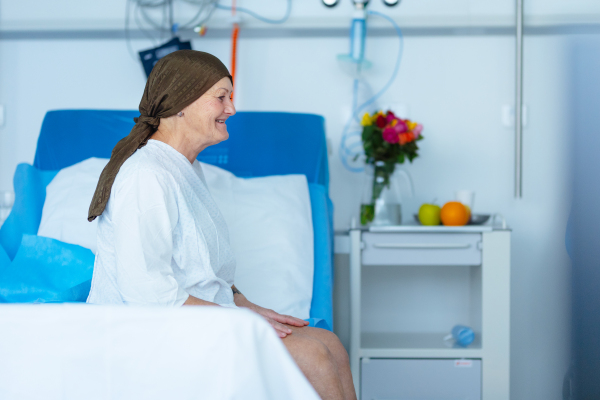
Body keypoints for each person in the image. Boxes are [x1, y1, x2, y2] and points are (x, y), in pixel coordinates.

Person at [86, 50, 356, 400]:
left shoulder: (185, 169)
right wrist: (244, 324)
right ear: (181, 102)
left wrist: (246, 306)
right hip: (154, 335)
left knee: (329, 344)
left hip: (196, 324)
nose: (231, 109)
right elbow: (147, 294)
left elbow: (204, 272)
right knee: (313, 356)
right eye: (221, 97)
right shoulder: (146, 175)